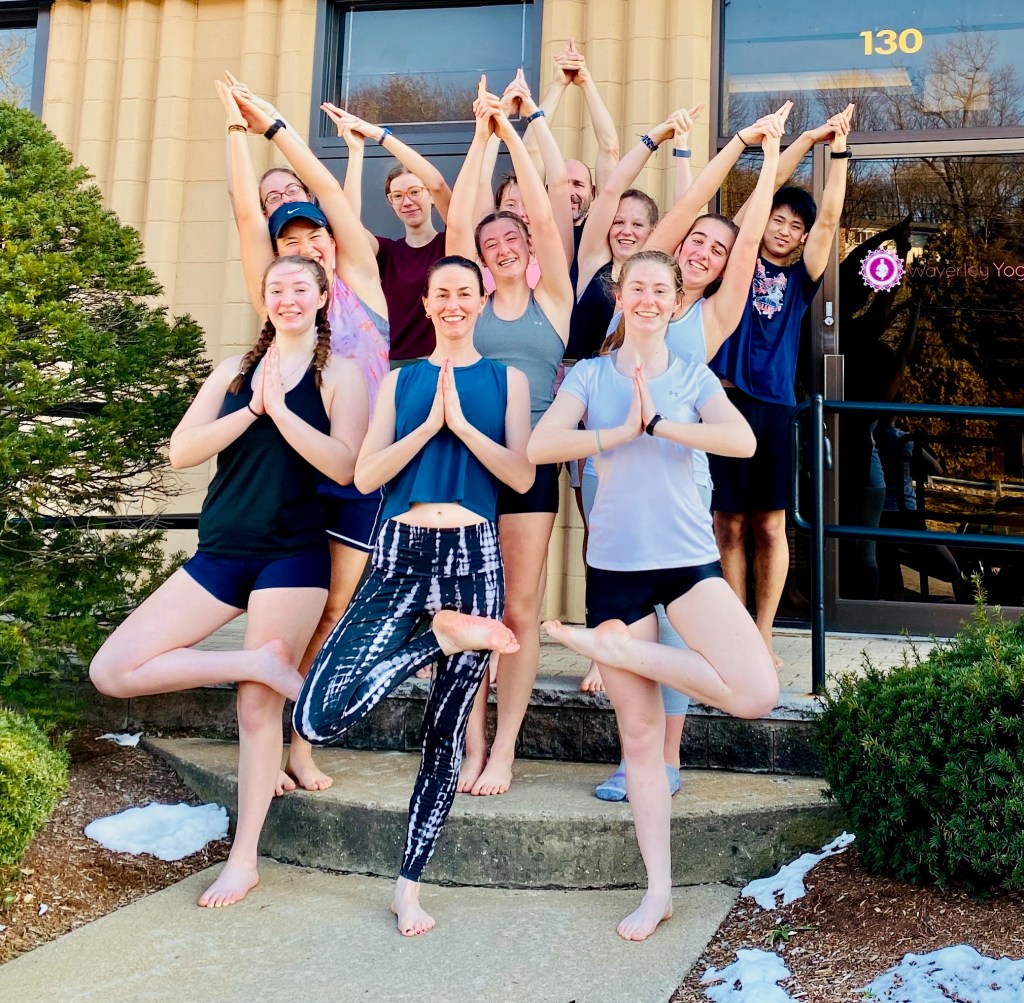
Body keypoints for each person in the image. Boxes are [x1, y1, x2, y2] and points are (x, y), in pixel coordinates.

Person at [90, 255, 370, 908]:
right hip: (220, 551)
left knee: (254, 709)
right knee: (113, 669)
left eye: (300, 287)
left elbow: (347, 465)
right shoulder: (233, 371)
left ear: (322, 298)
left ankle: (243, 860)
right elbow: (181, 450)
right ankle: (256, 661)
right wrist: (250, 410)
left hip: (291, 557)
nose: (288, 297)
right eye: (276, 289)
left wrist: (282, 411)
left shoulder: (340, 374)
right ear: (265, 300)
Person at [529, 245, 781, 943]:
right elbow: (540, 447)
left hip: (688, 563)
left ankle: (608, 648)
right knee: (640, 739)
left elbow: (741, 440)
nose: (646, 299)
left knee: (756, 692)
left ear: (675, 303)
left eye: (658, 290)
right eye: (634, 287)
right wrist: (619, 431)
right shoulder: (590, 376)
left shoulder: (692, 375)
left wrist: (661, 423)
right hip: (616, 569)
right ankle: (659, 890)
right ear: (620, 296)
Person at [293, 255, 533, 936]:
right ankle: (438, 639)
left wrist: (464, 427)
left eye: (464, 293)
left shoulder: (506, 380)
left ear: (480, 301)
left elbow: (520, 475)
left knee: (444, 732)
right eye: (441, 294)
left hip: (472, 556)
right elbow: (367, 474)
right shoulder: (401, 381)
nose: (453, 303)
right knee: (316, 716)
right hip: (399, 550)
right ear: (426, 304)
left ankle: (409, 887)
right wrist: (427, 426)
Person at [581, 103, 794, 799]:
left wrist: (770, 157)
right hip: (607, 472)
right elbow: (686, 206)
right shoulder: (638, 292)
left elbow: (751, 231)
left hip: (677, 481)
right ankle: (633, 756)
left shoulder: (711, 316)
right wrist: (737, 144)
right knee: (621, 613)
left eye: (717, 250)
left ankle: (666, 759)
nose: (703, 251)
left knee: (672, 622)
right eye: (696, 241)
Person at [218, 77, 391, 793]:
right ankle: (264, 745)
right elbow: (243, 216)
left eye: (314, 234)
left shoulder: (364, 285)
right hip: (290, 476)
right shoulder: (282, 299)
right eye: (289, 241)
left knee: (335, 611)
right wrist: (235, 135)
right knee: (284, 615)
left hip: (357, 472)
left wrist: (276, 127)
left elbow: (328, 194)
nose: (305, 247)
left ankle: (299, 741)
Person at [444, 77, 574, 796]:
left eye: (511, 238)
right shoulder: (472, 302)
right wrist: (481, 134)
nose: (499, 246)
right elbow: (460, 221)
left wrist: (516, 133)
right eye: (489, 242)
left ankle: (505, 748)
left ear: (528, 246)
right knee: (469, 610)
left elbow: (547, 214)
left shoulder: (553, 300)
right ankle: (470, 742)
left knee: (519, 607)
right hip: (466, 461)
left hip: (530, 467)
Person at [709, 104, 854, 668]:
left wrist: (836, 151)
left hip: (772, 410)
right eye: (778, 219)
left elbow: (830, 218)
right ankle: (732, 634)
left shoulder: (800, 278)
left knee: (770, 525)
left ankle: (762, 632)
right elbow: (760, 192)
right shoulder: (735, 258)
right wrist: (802, 140)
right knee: (727, 523)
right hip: (720, 403)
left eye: (795, 226)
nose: (785, 230)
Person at [326, 104, 452, 364]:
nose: (407, 202)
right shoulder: (387, 253)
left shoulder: (450, 243)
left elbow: (439, 185)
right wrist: (356, 152)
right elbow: (347, 225)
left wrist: (379, 135)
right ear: (390, 202)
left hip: (437, 365)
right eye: (398, 195)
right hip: (389, 367)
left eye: (415, 192)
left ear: (429, 196)